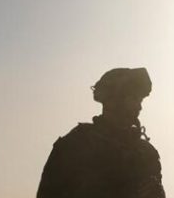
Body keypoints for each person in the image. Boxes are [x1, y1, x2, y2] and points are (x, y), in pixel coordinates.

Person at [37, 67, 166, 198]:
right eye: (132, 98)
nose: (138, 107)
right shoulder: (74, 145)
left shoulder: (146, 153)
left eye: (139, 100)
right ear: (113, 100)